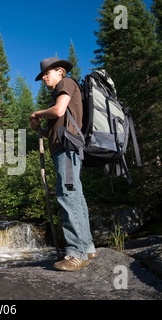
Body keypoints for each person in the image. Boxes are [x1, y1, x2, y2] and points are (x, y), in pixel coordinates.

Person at [30, 57, 97, 272]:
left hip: (67, 149)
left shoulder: (66, 84)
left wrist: (38, 113)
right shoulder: (58, 90)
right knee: (75, 195)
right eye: (42, 76)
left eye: (47, 73)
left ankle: (76, 253)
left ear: (60, 71)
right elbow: (57, 124)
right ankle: (87, 248)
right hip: (65, 147)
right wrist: (38, 129)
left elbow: (59, 111)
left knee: (68, 195)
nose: (44, 78)